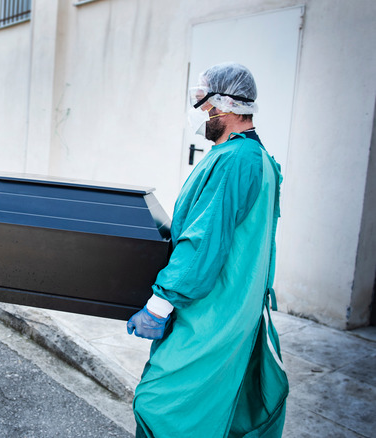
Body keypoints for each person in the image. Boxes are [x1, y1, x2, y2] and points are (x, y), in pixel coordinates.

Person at [126, 62, 289, 437]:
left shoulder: (233, 162)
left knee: (161, 407)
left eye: (201, 103)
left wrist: (159, 305)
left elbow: (202, 244)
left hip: (212, 313)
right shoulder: (256, 158)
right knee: (216, 409)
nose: (197, 113)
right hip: (235, 309)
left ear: (225, 106)